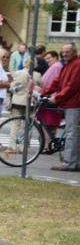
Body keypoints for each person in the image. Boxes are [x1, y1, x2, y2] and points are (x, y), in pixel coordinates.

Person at [41, 43, 80, 171]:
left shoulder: (76, 64)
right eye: (63, 52)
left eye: (67, 52)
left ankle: (69, 163)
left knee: (71, 133)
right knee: (74, 132)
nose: (64, 54)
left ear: (74, 52)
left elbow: (72, 85)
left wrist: (56, 98)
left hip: (74, 103)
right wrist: (43, 92)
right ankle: (75, 162)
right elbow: (57, 82)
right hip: (70, 102)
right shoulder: (67, 65)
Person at [6, 56, 40, 153]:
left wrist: (17, 89)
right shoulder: (37, 75)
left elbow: (12, 88)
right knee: (28, 126)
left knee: (15, 125)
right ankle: (23, 148)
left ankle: (12, 147)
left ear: (25, 63)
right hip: (30, 103)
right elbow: (38, 89)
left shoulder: (19, 73)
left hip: (18, 102)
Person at [37, 50, 64, 150]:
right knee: (51, 124)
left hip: (51, 98)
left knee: (47, 123)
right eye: (46, 58)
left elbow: (54, 82)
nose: (47, 60)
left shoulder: (56, 66)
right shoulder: (55, 66)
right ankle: (49, 145)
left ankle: (46, 146)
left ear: (55, 57)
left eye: (49, 58)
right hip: (51, 97)